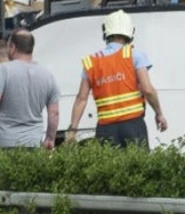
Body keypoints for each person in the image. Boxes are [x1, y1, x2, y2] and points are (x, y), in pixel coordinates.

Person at [66, 10, 167, 149]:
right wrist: (159, 113)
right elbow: (147, 89)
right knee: (138, 168)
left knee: (109, 170)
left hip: (105, 129)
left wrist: (73, 130)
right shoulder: (134, 55)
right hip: (133, 126)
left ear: (106, 33)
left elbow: (81, 99)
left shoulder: (91, 62)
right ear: (130, 33)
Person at [0, 29, 60, 150]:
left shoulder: (3, 71)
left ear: (13, 47)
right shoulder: (47, 75)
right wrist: (50, 138)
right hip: (33, 143)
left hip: (3, 143)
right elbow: (54, 113)